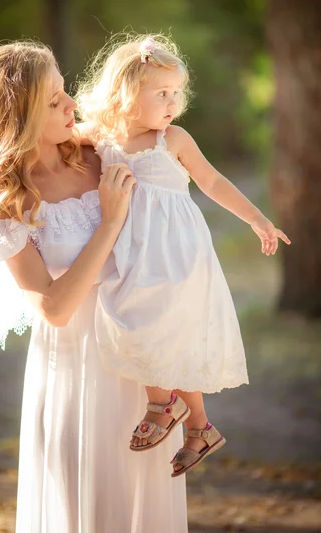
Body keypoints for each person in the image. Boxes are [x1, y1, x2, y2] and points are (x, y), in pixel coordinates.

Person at [0, 40, 189, 532]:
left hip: (144, 361)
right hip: (77, 368)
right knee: (89, 505)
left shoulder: (103, 152)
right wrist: (109, 222)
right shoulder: (7, 203)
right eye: (53, 102)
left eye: (64, 91)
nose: (71, 104)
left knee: (147, 504)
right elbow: (53, 307)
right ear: (19, 117)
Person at [76, 34, 291, 476]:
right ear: (125, 93)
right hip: (130, 251)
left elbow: (212, 182)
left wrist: (257, 219)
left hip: (177, 254)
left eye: (177, 93)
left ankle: (162, 405)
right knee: (135, 322)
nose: (173, 102)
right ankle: (200, 425)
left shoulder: (171, 139)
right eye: (161, 93)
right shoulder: (102, 138)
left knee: (164, 329)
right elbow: (57, 139)